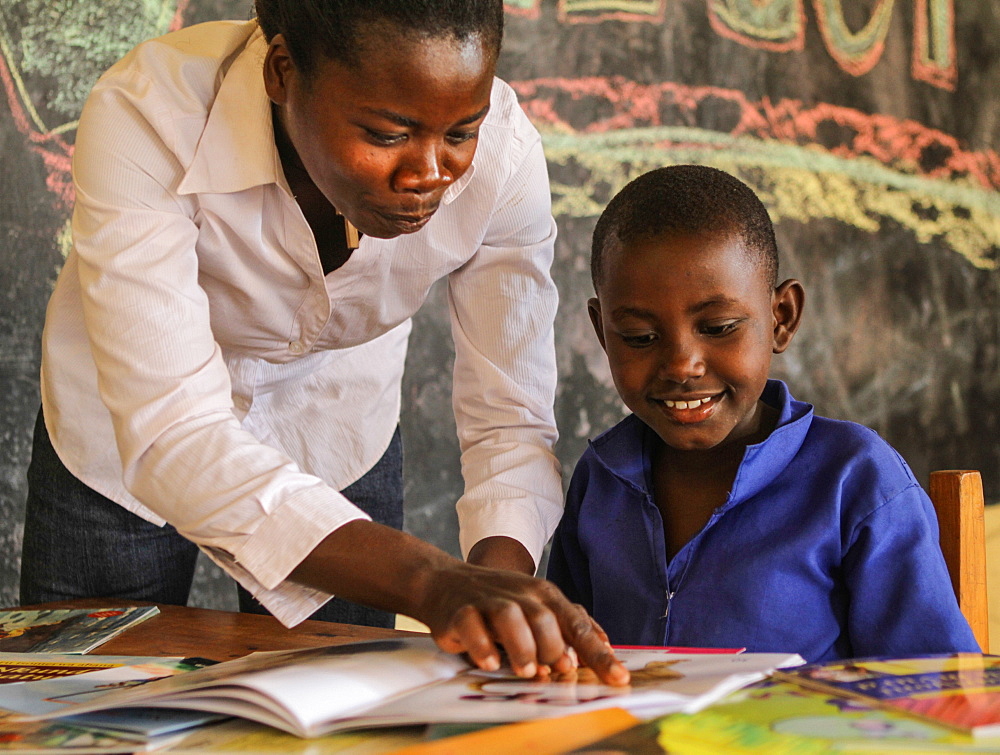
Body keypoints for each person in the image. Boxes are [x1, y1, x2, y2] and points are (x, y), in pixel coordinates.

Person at [19, 0, 628, 685]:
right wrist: (431, 580)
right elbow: (174, 435)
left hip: (337, 419)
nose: (427, 172)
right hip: (122, 435)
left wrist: (495, 592)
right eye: (385, 132)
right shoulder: (148, 116)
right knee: (77, 696)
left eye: (462, 131)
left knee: (340, 709)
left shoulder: (506, 158)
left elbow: (510, 420)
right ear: (282, 70)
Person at [546, 164, 979, 662]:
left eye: (719, 326)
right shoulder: (601, 480)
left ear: (782, 318)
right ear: (602, 332)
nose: (682, 365)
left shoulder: (855, 481)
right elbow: (567, 667)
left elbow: (936, 687)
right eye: (640, 338)